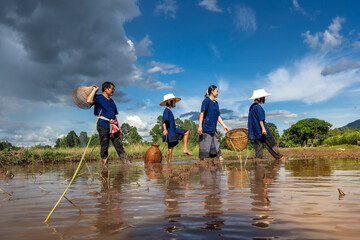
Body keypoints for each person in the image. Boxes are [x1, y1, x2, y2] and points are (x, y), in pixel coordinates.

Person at [87, 82, 128, 169]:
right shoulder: (98, 98)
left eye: (113, 89)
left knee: (119, 144)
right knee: (104, 145)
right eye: (112, 89)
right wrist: (95, 90)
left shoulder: (112, 101)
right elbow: (89, 101)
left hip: (113, 125)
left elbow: (114, 115)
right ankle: (104, 166)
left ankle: (126, 163)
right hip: (103, 124)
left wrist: (119, 127)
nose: (113, 91)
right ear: (106, 88)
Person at [248, 89, 286, 160]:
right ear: (259, 98)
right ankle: (279, 157)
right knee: (271, 143)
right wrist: (263, 129)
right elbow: (260, 119)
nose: (264, 99)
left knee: (258, 146)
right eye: (263, 97)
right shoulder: (258, 107)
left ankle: (258, 160)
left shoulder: (252, 107)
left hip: (255, 131)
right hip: (261, 129)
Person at [198, 85, 229, 161]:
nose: (218, 93)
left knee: (217, 147)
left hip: (213, 129)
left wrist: (224, 126)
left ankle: (221, 162)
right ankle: (201, 165)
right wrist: (200, 127)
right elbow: (202, 114)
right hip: (206, 129)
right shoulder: (206, 101)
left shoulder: (216, 103)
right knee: (203, 151)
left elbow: (218, 116)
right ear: (212, 91)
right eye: (217, 91)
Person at [161, 93, 193, 163]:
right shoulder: (166, 111)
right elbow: (164, 121)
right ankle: (185, 149)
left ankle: (168, 163)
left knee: (170, 148)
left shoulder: (169, 111)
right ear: (169, 101)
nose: (175, 103)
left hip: (171, 130)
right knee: (186, 132)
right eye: (174, 101)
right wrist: (165, 129)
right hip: (170, 131)